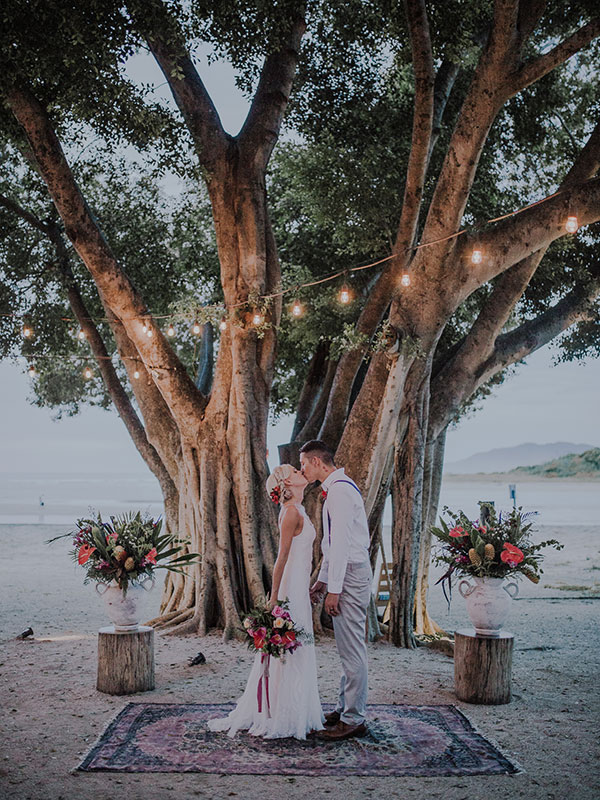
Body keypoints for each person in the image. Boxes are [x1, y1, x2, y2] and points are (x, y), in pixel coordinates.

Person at [207, 464, 324, 739]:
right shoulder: (291, 513)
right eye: (294, 471)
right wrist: (274, 597)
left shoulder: (299, 509)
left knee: (299, 647)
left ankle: (295, 710)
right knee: (289, 649)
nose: (300, 471)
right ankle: (280, 714)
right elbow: (281, 559)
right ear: (286, 483)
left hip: (298, 586)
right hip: (289, 589)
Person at [300, 440, 371, 741]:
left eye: (303, 463)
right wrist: (323, 580)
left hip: (352, 575)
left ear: (317, 462)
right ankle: (345, 709)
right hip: (346, 572)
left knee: (352, 648)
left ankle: (354, 718)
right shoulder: (336, 488)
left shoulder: (340, 491)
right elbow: (332, 546)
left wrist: (335, 591)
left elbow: (342, 545)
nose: (301, 468)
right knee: (346, 647)